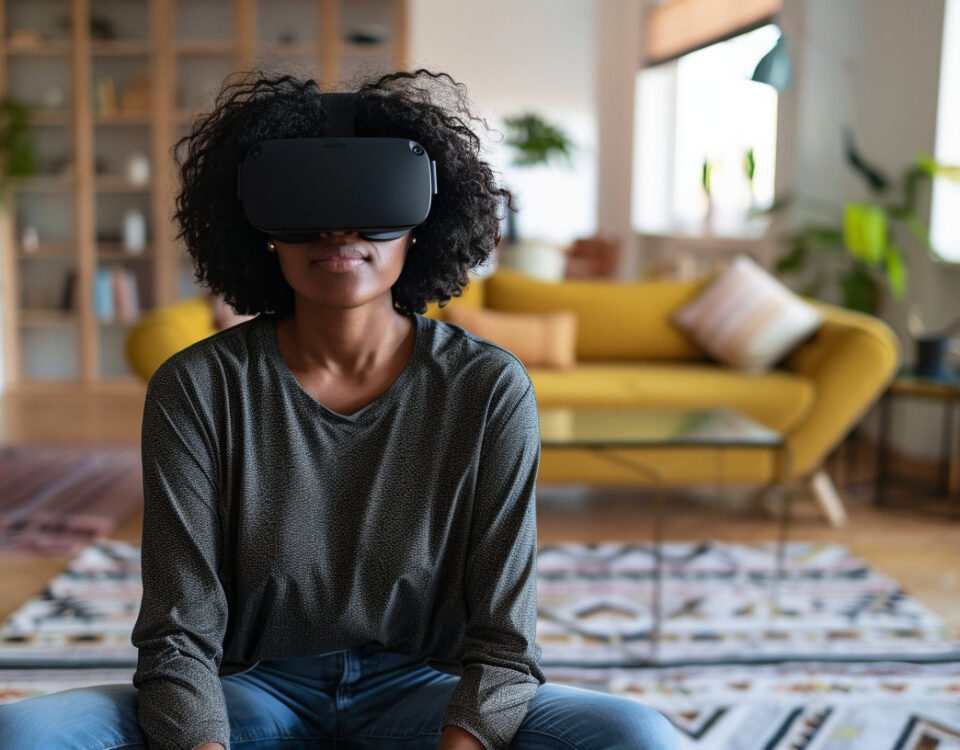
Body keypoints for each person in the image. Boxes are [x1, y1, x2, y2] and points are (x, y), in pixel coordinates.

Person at [0, 68, 680, 750]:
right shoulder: (198, 387)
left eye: (372, 202)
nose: (338, 229)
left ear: (423, 223)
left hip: (426, 689)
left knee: (637, 734)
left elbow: (504, 642)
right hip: (249, 690)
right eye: (306, 203)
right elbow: (178, 634)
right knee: (24, 732)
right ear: (258, 224)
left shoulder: (486, 388)